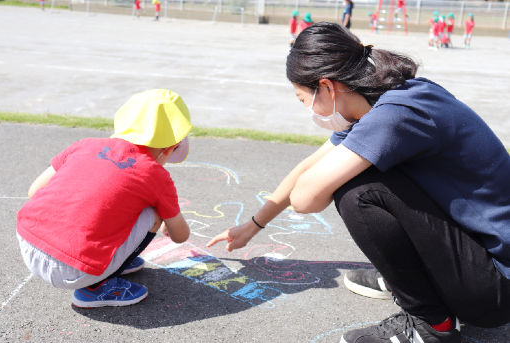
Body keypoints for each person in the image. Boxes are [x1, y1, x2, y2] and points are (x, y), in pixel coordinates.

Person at [207, 22, 510, 343]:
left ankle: (430, 324)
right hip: (485, 262)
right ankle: (411, 282)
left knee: (357, 192)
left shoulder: (393, 117)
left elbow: (305, 198)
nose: (307, 110)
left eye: (302, 99)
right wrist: (254, 224)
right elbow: (309, 166)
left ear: (327, 86)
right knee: (359, 172)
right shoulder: (388, 99)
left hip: (495, 287)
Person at [16, 89, 192, 308]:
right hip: (74, 271)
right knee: (153, 211)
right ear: (169, 149)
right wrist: (169, 219)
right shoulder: (154, 174)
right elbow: (181, 236)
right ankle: (96, 287)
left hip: (28, 245)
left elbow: (34, 191)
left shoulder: (85, 144)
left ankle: (112, 261)